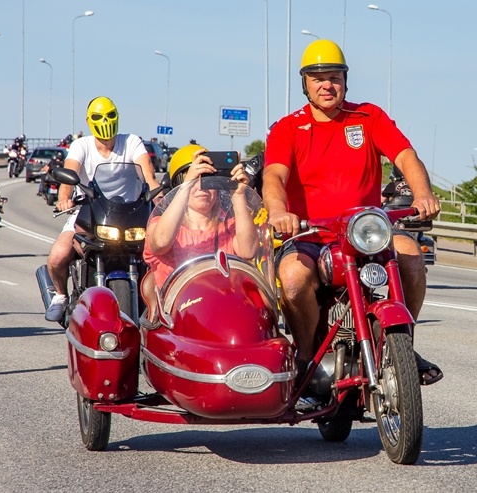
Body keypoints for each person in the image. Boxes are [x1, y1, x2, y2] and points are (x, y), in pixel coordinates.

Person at [263, 39, 443, 392]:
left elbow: (405, 156)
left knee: (410, 257)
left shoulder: (368, 117)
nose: (327, 85)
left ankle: (402, 344)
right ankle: (306, 356)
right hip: (309, 236)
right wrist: (279, 211)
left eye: (334, 77)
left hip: (364, 233)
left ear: (345, 81)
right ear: (306, 84)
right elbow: (274, 176)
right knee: (293, 277)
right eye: (318, 78)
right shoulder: (288, 128)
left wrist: (422, 193)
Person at [44, 96, 161, 322]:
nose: (105, 121)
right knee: (58, 257)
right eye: (99, 117)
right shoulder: (82, 145)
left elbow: (148, 175)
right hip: (90, 211)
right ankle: (60, 296)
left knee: (160, 251)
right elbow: (69, 177)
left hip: (130, 214)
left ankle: (159, 305)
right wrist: (65, 198)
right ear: (90, 120)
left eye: (109, 115)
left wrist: (160, 197)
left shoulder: (131, 142)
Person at [140, 145, 256, 322]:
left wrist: (238, 194)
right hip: (177, 320)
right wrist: (186, 186)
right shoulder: (162, 225)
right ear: (179, 185)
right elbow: (161, 242)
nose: (202, 187)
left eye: (208, 179)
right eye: (195, 179)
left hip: (226, 315)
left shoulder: (230, 226)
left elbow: (249, 250)